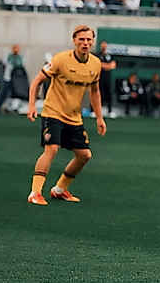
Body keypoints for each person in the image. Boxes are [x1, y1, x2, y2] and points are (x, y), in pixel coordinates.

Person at [26, 25, 107, 205]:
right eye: (81, 39)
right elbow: (37, 81)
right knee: (52, 149)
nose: (85, 43)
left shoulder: (95, 64)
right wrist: (32, 105)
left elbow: (95, 91)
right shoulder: (60, 60)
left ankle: (59, 190)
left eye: (88, 39)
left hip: (74, 117)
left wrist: (99, 117)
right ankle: (35, 193)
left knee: (84, 155)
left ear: (93, 42)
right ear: (74, 40)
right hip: (53, 112)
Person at [96, 41, 118, 117]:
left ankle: (110, 111)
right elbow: (98, 64)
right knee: (98, 93)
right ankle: (95, 111)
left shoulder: (110, 55)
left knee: (109, 93)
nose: (104, 46)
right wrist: (107, 65)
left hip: (108, 77)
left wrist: (105, 65)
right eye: (102, 45)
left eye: (105, 45)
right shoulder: (97, 55)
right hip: (99, 77)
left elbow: (113, 65)